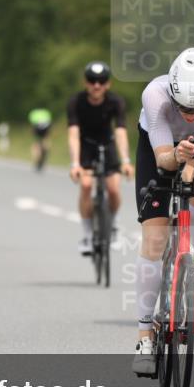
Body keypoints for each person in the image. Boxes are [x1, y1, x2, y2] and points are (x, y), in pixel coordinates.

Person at [130, 47, 194, 375]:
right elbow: (163, 160)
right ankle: (145, 334)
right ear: (173, 95)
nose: (191, 114)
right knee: (155, 239)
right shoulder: (155, 95)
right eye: (184, 108)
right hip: (157, 147)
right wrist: (178, 155)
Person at [67, 61, 133, 255]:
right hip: (86, 146)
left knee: (113, 188)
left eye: (101, 81)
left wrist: (126, 161)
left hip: (108, 144)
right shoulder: (75, 102)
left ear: (108, 84)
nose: (97, 85)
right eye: (92, 80)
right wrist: (75, 164)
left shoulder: (116, 102)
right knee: (86, 185)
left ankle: (113, 226)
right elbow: (73, 133)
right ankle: (87, 235)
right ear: (85, 83)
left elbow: (120, 132)